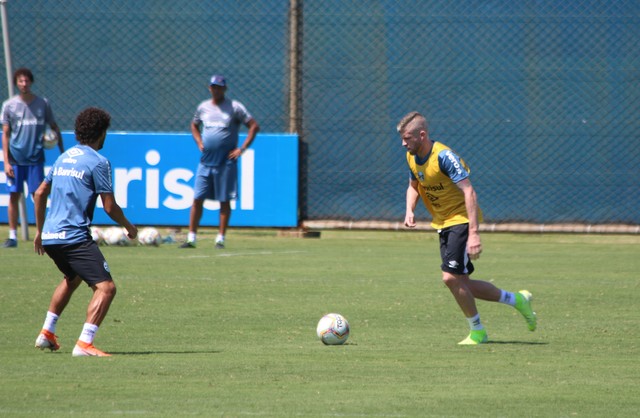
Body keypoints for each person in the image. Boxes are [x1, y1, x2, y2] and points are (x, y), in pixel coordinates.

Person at [397, 111, 537, 345]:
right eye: (402, 138)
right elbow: (414, 186)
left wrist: (473, 233)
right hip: (442, 223)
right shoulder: (411, 156)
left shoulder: (444, 156)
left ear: (422, 135)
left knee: (450, 278)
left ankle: (478, 331)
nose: (404, 143)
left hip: (460, 220)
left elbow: (469, 191)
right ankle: (516, 300)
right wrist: (409, 209)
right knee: (462, 282)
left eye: (408, 138)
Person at [33, 107, 137, 357]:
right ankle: (84, 344)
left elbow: (38, 193)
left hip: (51, 236)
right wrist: (128, 226)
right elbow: (109, 206)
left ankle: (47, 333)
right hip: (73, 237)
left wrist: (39, 231)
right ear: (101, 133)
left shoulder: (63, 157)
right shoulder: (99, 162)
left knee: (73, 278)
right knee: (106, 288)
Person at [180, 74, 260, 249]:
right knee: (197, 198)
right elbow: (194, 125)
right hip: (205, 161)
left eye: (219, 87)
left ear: (224, 89)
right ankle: (191, 238)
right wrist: (199, 142)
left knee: (224, 200)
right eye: (213, 87)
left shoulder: (235, 107)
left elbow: (254, 125)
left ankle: (220, 239)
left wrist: (242, 148)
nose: (216, 90)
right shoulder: (203, 107)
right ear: (210, 88)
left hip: (225, 162)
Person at [1, 67, 64, 248]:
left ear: (31, 82)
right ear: (16, 83)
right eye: (20, 81)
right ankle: (12, 236)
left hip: (35, 158)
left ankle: (41, 232)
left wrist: (61, 150)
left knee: (38, 195)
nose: (24, 84)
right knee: (14, 194)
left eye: (27, 81)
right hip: (15, 158)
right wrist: (6, 161)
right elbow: (5, 134)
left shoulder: (42, 104)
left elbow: (54, 127)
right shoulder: (9, 106)